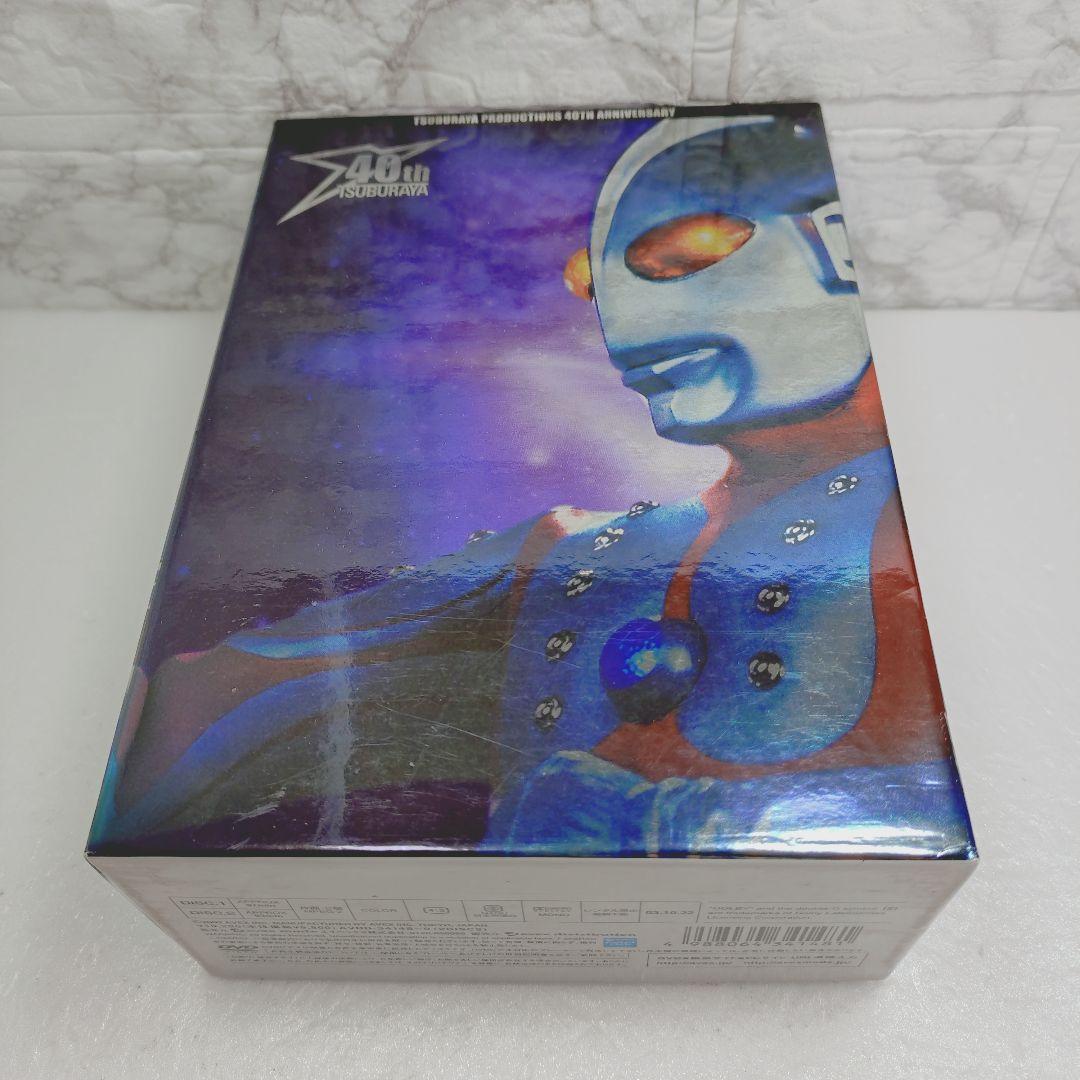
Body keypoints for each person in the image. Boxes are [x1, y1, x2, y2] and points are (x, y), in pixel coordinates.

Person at [93, 113, 971, 857]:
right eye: (594, 289)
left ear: (837, 247)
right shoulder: (572, 547)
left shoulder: (922, 531)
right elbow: (208, 692)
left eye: (678, 256)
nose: (625, 321)